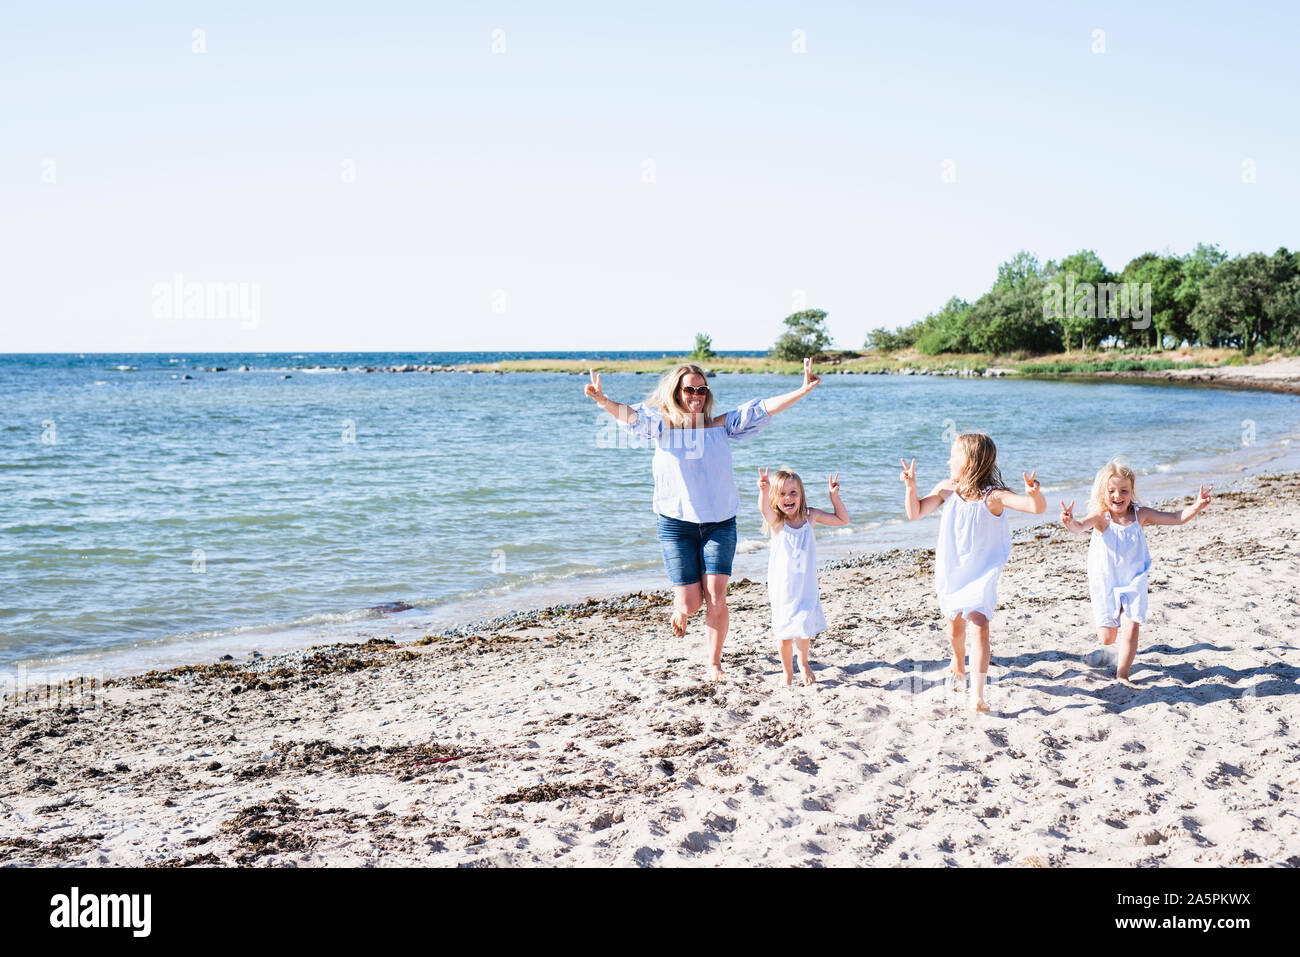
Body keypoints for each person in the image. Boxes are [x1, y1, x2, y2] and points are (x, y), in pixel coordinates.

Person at [586, 358, 821, 680]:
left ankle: (714, 662)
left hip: (720, 522)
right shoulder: (662, 426)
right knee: (691, 603)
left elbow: (763, 409)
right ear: (676, 393)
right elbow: (633, 417)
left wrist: (802, 389)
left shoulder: (721, 426)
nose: (695, 394)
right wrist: (603, 401)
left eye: (701, 389)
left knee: (717, 595)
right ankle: (680, 607)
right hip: (676, 522)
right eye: (688, 389)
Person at [900, 432, 1045, 711]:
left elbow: (1034, 509)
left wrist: (1034, 494)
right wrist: (911, 487)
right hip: (953, 567)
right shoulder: (946, 490)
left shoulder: (994, 497)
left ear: (969, 461)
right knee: (954, 625)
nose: (948, 460)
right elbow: (915, 512)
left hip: (983, 571)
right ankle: (957, 661)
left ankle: (977, 694)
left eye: (953, 456)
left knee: (979, 627)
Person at [1060, 459, 1212, 684]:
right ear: (1103, 493)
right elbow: (1079, 526)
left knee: (1131, 628)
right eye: (1111, 491)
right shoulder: (1102, 518)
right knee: (1107, 637)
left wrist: (1197, 505)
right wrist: (1069, 521)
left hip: (1134, 581)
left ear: (1132, 491)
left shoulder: (1141, 515)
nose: (1117, 496)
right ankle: (1106, 651)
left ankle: (1122, 674)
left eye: (1124, 490)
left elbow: (1175, 518)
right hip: (1107, 582)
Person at [757, 467, 849, 686]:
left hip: (806, 586)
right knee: (784, 634)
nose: (788, 498)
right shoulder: (777, 522)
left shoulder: (811, 516)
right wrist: (763, 490)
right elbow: (764, 510)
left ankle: (804, 662)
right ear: (775, 498)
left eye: (793, 493)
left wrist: (834, 498)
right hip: (783, 588)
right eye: (782, 494)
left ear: (801, 494)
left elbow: (842, 520)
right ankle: (787, 672)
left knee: (804, 628)